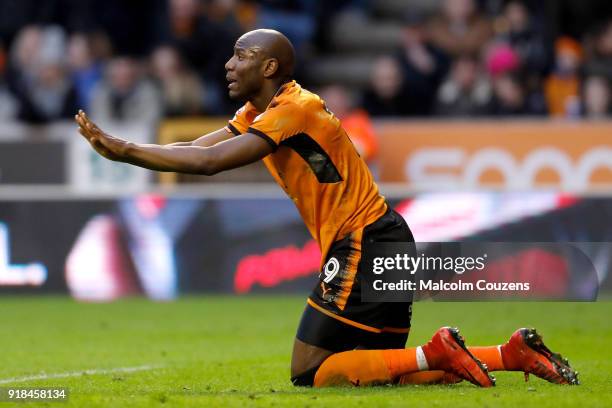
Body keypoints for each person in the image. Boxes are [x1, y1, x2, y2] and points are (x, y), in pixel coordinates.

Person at [75, 29, 578, 388]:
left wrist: (127, 152)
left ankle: (439, 347)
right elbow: (201, 148)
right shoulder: (265, 110)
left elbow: (209, 163)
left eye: (240, 55)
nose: (229, 64)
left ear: (269, 67)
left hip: (364, 243)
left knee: (309, 370)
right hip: (383, 236)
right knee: (387, 369)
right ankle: (510, 355)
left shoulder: (294, 111)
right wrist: (134, 152)